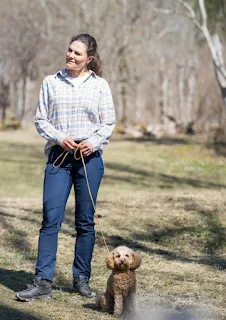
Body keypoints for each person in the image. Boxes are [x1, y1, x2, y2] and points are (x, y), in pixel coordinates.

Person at [15, 33, 116, 301]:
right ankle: (43, 283)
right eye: (69, 50)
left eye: (77, 53)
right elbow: (41, 120)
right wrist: (61, 138)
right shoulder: (51, 82)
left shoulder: (100, 86)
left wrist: (92, 142)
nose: (71, 55)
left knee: (85, 222)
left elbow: (108, 123)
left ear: (89, 59)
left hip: (89, 159)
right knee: (50, 220)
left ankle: (81, 279)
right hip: (59, 158)